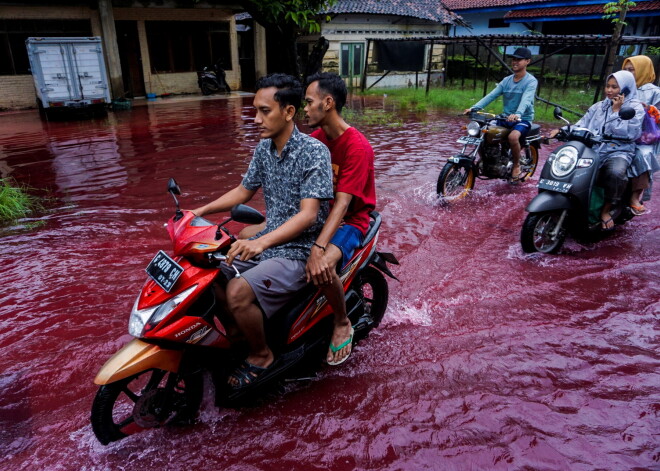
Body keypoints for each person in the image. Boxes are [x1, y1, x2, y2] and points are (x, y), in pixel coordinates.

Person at [192, 73, 333, 388]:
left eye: (264, 111)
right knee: (211, 275)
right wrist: (199, 211)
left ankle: (262, 355)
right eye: (254, 110)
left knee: (238, 292)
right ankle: (241, 335)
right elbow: (243, 191)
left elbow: (309, 215)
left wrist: (261, 242)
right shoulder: (264, 148)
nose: (256, 119)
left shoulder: (313, 152)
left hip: (300, 248)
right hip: (268, 241)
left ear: (288, 112)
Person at [303, 72, 376, 366]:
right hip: (321, 214)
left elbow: (344, 204)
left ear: (328, 103)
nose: (305, 109)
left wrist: (319, 247)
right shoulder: (316, 140)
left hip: (351, 221)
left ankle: (342, 320)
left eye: (309, 102)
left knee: (321, 267)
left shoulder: (357, 147)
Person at [548, 70, 644, 230]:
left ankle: (607, 209)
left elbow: (631, 133)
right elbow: (582, 123)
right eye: (608, 86)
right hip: (594, 148)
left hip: (619, 151)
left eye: (614, 87)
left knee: (615, 173)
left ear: (626, 89)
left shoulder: (635, 108)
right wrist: (562, 130)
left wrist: (616, 111)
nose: (609, 90)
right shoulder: (599, 106)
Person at [464, 47, 538, 182]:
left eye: (519, 59)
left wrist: (518, 113)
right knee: (483, 131)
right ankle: (488, 160)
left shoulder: (531, 81)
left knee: (513, 137)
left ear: (527, 61)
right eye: (513, 59)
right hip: (505, 117)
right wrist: (474, 108)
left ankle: (516, 165)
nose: (515, 62)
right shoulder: (507, 80)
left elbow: (526, 99)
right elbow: (491, 95)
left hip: (523, 119)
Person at [622, 55, 660, 215]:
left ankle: (634, 197)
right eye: (625, 69)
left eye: (632, 70)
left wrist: (650, 109)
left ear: (644, 71)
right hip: (620, 132)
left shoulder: (654, 92)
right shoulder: (621, 87)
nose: (628, 73)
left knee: (643, 157)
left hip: (643, 138)